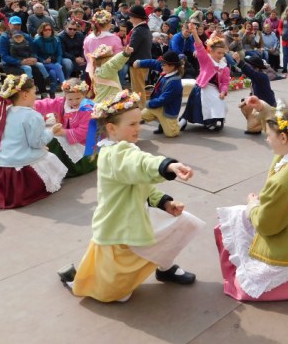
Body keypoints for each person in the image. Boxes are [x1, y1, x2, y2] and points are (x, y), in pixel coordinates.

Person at [57, 90, 204, 302]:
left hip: (135, 214)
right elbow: (141, 164)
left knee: (181, 223)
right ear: (111, 128)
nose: (138, 128)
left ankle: (165, 266)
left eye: (139, 122)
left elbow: (141, 181)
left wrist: (164, 202)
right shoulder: (115, 153)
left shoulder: (122, 148)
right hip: (119, 224)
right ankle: (79, 281)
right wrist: (168, 165)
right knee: (116, 293)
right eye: (132, 124)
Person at [215, 102, 288, 301]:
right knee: (237, 215)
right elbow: (282, 118)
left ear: (284, 137)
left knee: (230, 221)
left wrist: (253, 205)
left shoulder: (284, 180)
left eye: (268, 135)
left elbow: (266, 225)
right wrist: (262, 107)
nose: (267, 139)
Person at [0, 75, 67, 209]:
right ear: (24, 95)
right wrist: (51, 131)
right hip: (20, 161)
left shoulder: (8, 111)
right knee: (49, 157)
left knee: (43, 152)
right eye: (34, 92)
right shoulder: (33, 115)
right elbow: (36, 143)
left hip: (3, 161)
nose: (36, 96)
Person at [34, 78, 97, 177]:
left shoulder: (87, 109)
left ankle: (63, 169)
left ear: (84, 95)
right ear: (65, 96)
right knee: (48, 139)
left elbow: (85, 132)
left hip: (85, 145)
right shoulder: (61, 103)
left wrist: (63, 132)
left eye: (78, 98)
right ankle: (50, 169)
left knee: (54, 141)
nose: (74, 102)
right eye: (70, 99)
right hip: (68, 137)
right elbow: (45, 104)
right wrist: (26, 105)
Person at [180, 22, 230, 132]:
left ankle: (210, 121)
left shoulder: (225, 67)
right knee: (194, 106)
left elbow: (225, 82)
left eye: (222, 53)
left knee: (219, 102)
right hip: (202, 87)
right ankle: (184, 119)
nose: (221, 55)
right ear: (211, 51)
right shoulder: (206, 60)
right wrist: (194, 32)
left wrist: (223, 91)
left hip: (213, 88)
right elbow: (199, 47)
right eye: (218, 53)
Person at [134, 51, 184, 137]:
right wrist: (139, 63)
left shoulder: (175, 83)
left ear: (172, 66)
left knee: (172, 134)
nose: (161, 66)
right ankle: (162, 122)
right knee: (139, 117)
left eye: (163, 64)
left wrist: (148, 103)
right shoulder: (166, 69)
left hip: (167, 109)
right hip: (157, 105)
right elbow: (153, 62)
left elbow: (164, 99)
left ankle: (182, 121)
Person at [234, 53, 276, 134]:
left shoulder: (261, 76)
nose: (247, 66)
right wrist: (244, 101)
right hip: (260, 105)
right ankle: (258, 122)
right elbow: (254, 94)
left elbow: (250, 72)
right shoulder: (257, 77)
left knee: (251, 128)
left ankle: (270, 123)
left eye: (249, 65)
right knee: (244, 105)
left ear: (255, 68)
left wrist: (238, 60)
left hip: (268, 107)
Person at [127, 5, 152, 107]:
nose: (130, 18)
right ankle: (139, 107)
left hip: (138, 63)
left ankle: (141, 109)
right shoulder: (144, 29)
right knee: (139, 86)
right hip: (143, 61)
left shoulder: (138, 31)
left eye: (131, 16)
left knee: (138, 88)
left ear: (136, 18)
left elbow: (132, 48)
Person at [33, 22, 65, 97]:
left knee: (53, 72)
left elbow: (60, 53)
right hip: (43, 63)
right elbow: (34, 54)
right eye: (45, 30)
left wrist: (58, 62)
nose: (48, 31)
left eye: (49, 29)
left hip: (54, 62)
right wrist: (43, 60)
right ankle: (65, 85)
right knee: (58, 68)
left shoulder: (56, 39)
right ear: (41, 31)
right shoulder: (37, 41)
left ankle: (52, 93)